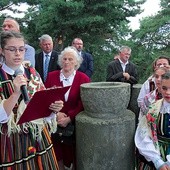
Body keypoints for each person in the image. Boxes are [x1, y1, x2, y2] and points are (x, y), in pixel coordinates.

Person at [0, 31, 64, 169]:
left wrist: (53, 109)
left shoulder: (32, 72)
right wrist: (15, 94)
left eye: (21, 49)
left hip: (38, 138)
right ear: (2, 51)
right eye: (12, 49)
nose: (18, 53)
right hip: (12, 143)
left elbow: (42, 107)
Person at [45, 46, 90, 170]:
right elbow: (46, 97)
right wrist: (57, 113)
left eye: (70, 59)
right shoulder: (51, 76)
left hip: (74, 124)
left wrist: (69, 118)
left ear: (76, 62)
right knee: (56, 154)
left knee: (72, 154)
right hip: (54, 121)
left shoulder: (83, 78)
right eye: (64, 59)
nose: (66, 62)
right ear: (60, 61)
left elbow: (83, 102)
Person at [135, 71, 170, 170]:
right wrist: (157, 161)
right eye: (164, 88)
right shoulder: (153, 108)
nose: (168, 92)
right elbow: (143, 134)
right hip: (155, 153)